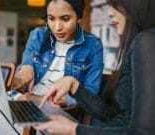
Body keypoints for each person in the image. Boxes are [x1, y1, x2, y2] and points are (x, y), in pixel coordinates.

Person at [34, 0, 155, 134]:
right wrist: (73, 84)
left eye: (116, 6)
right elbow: (111, 115)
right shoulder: (140, 42)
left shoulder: (146, 42)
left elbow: (143, 132)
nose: (109, 13)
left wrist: (74, 130)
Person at [11, 0, 103, 106]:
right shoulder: (37, 35)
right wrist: (26, 68)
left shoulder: (94, 45)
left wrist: (38, 99)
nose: (57, 27)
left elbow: (90, 95)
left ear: (78, 18)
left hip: (60, 111)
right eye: (51, 18)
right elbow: (26, 66)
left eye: (65, 19)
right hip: (26, 100)